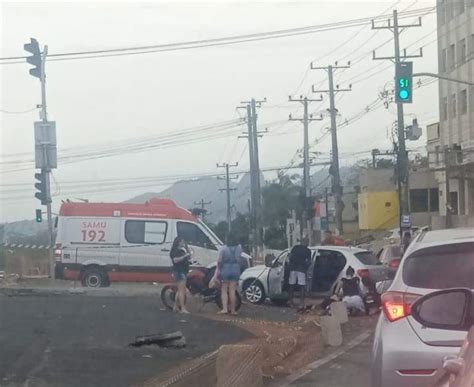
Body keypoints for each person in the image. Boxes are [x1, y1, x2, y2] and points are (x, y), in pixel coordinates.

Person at [215, 233, 242, 315]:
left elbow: (219, 261)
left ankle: (225, 309)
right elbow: (240, 258)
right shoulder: (239, 247)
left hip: (225, 268)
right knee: (232, 290)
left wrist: (218, 269)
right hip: (235, 268)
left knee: (224, 289)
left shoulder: (223, 248)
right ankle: (233, 310)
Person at [170, 236, 192, 314]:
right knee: (182, 290)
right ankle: (182, 308)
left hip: (183, 271)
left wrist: (189, 254)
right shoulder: (175, 250)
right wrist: (184, 256)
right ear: (178, 242)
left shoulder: (183, 250)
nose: (183, 243)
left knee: (179, 290)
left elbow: (189, 259)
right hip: (179, 271)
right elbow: (175, 260)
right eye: (182, 241)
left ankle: (176, 306)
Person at [288, 236, 312, 308]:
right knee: (302, 286)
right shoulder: (308, 251)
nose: (307, 243)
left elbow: (290, 257)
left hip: (293, 269)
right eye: (307, 242)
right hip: (301, 269)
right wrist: (305, 266)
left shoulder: (295, 248)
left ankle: (290, 301)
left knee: (291, 285)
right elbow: (308, 262)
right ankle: (301, 303)